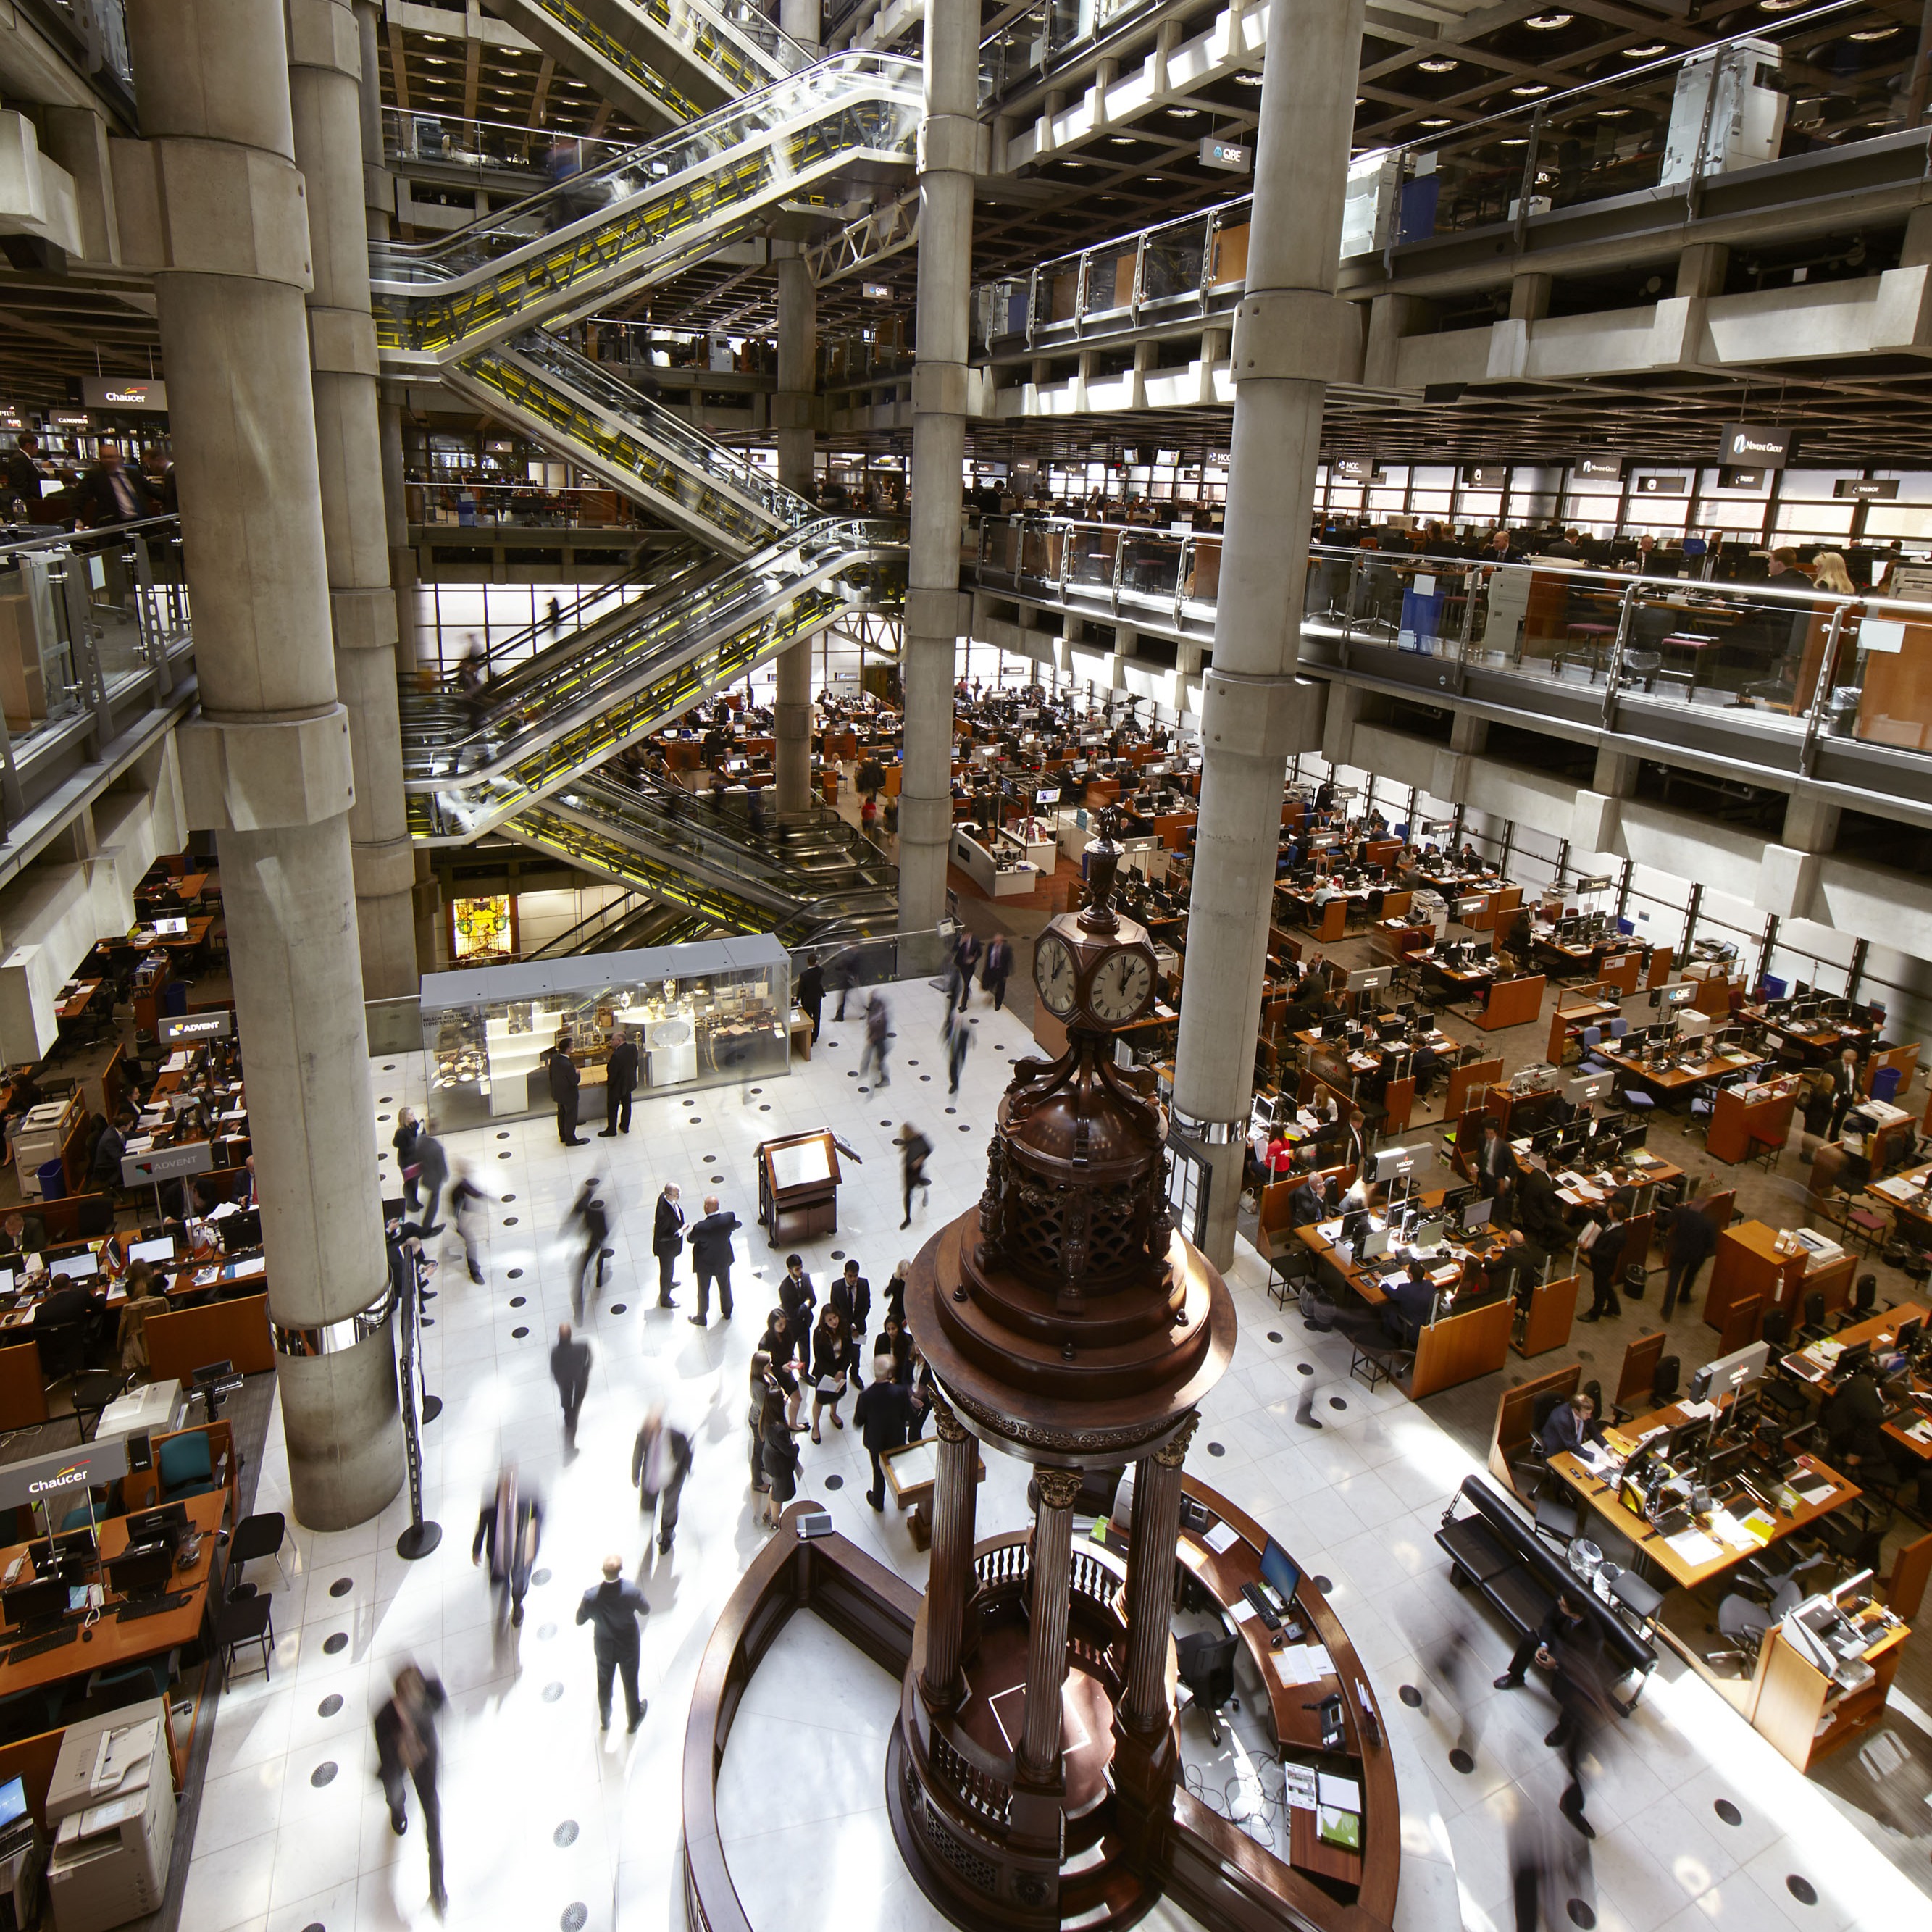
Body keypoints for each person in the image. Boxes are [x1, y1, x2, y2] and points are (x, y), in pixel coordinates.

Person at [374, 1664, 447, 1915]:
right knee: (394, 1794)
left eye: (419, 1689)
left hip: (424, 1762)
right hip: (397, 1761)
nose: (418, 1697)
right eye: (411, 1694)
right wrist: (399, 1748)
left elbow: (440, 1700)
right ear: (399, 1698)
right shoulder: (384, 1718)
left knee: (433, 1820)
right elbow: (386, 1757)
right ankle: (397, 1811)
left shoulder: (430, 1693)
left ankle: (437, 1887)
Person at [575, 1555, 649, 1734]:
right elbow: (645, 1609)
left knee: (604, 1683)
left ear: (603, 1571)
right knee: (630, 1682)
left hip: (604, 1647)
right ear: (620, 1570)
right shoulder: (631, 1591)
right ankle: (633, 1720)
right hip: (629, 1645)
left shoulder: (591, 1597)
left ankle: (605, 1720)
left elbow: (579, 1620)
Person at [473, 1467, 543, 1626]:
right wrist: (476, 1550)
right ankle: (504, 1591)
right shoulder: (491, 1509)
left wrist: (533, 1542)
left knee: (519, 1583)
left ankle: (517, 1605)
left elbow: (539, 1516)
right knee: (500, 1582)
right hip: (498, 1555)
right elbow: (482, 1528)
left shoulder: (526, 1502)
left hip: (520, 1554)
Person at [855, 1343, 914, 1510]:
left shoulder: (865, 1396)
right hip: (896, 1438)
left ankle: (878, 1502)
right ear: (890, 1373)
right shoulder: (901, 1392)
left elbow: (858, 1422)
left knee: (878, 1473)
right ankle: (903, 1501)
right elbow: (907, 1416)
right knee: (899, 1470)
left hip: (876, 1442)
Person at [1493, 1591, 1589, 1691]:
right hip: (1553, 1636)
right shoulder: (1560, 1602)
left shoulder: (1591, 1632)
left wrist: (1557, 1662)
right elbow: (1548, 1622)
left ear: (1574, 1615)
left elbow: (1581, 1656)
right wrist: (1544, 1645)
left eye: (1563, 1605)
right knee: (1530, 1640)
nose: (1559, 1603)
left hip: (1569, 1650)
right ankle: (1516, 1677)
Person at [631, 1405, 693, 1553]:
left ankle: (666, 1536)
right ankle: (648, 1529)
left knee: (669, 1509)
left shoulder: (676, 1436)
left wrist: (686, 1471)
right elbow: (638, 1455)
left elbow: (687, 1453)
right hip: (652, 1479)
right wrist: (635, 1475)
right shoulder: (642, 1436)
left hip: (672, 1479)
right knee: (648, 1505)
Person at [686, 1193, 740, 1325]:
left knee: (703, 1292)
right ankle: (727, 1312)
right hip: (723, 1261)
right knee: (725, 1287)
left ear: (707, 1208)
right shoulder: (729, 1218)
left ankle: (702, 1317)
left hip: (705, 1265)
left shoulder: (701, 1227)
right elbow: (735, 1225)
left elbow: (690, 1238)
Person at [1661, 1192, 1718, 1318]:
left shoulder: (1681, 1212)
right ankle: (1684, 1297)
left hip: (1679, 1250)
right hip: (1697, 1255)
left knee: (1673, 1280)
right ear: (1706, 1204)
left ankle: (1667, 1310)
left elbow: (1666, 1222)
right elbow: (1711, 1244)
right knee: (1690, 1276)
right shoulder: (1709, 1221)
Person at [72, 444, 156, 527]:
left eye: (113, 457)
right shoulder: (95, 475)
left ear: (119, 458)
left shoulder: (133, 473)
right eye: (106, 457)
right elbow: (78, 498)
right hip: (114, 526)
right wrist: (77, 519)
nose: (111, 460)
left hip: (140, 523)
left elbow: (153, 490)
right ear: (101, 459)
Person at [563, 1179, 610, 1319]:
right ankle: (599, 1280)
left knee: (582, 1272)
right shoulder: (600, 1212)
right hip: (597, 1242)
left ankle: (578, 1310)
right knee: (599, 1259)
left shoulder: (586, 1209)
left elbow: (576, 1218)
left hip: (590, 1242)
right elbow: (605, 1230)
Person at [758, 1386, 801, 1530]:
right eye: (783, 1397)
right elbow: (789, 1450)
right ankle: (775, 1522)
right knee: (779, 1496)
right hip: (779, 1466)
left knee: (775, 1488)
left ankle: (767, 1513)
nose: (786, 1397)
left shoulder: (767, 1418)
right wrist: (796, 1446)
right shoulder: (779, 1429)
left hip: (771, 1460)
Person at [1577, 1205, 1625, 1323]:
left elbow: (1607, 1254)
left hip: (1604, 1266)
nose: (1608, 1210)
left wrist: (1588, 1249)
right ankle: (1614, 1307)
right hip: (1599, 1263)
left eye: (1610, 1210)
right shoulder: (1609, 1222)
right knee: (1606, 1285)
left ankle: (1595, 1313)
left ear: (1615, 1216)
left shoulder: (1618, 1235)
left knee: (1599, 1290)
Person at [808, 1304, 849, 1442]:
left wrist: (842, 1370)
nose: (834, 1322)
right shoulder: (819, 1333)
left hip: (840, 1371)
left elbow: (849, 1352)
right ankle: (816, 1426)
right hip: (825, 1372)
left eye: (835, 1317)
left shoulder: (844, 1327)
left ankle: (833, 1414)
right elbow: (819, 1359)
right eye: (830, 1320)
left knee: (836, 1394)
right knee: (820, 1399)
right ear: (824, 1321)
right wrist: (834, 1373)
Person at [549, 1321, 592, 1447]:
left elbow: (554, 1370)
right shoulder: (582, 1347)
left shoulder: (555, 1352)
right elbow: (589, 1360)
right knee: (577, 1401)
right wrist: (585, 1372)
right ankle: (573, 1417)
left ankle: (569, 1417)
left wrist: (560, 1381)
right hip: (579, 1378)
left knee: (567, 1403)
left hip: (564, 1381)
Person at [448, 1161, 488, 1284]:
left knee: (465, 1241)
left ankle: (446, 1252)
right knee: (471, 1244)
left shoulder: (463, 1184)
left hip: (463, 1218)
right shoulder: (459, 1188)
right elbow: (473, 1194)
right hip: (460, 1221)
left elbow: (474, 1192)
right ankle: (474, 1272)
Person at [777, 1254, 816, 1374]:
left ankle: (805, 1373)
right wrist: (805, 1305)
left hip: (805, 1324)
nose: (801, 1271)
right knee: (789, 1353)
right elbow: (791, 1314)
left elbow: (813, 1300)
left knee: (806, 1351)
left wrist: (805, 1306)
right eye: (797, 1269)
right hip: (792, 1328)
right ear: (790, 1270)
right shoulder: (784, 1289)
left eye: (801, 1267)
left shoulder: (806, 1278)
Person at [1541, 1392, 1607, 1460]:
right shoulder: (1563, 1419)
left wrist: (1608, 1450)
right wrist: (1599, 1460)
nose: (1589, 1417)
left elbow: (1595, 1432)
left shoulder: (1585, 1412)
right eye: (1587, 1413)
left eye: (1590, 1413)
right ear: (1576, 1410)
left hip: (1575, 1447)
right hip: (1558, 1450)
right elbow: (1572, 1446)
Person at [543, 1033, 582, 1145]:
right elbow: (574, 1081)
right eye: (572, 1046)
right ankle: (570, 1139)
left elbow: (551, 1075)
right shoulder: (568, 1065)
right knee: (571, 1116)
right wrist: (577, 1073)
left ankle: (563, 1136)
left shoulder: (554, 1059)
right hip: (569, 1095)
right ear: (568, 1049)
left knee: (561, 1115)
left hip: (558, 1093)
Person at [599, 1026, 639, 1137]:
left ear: (619, 1041)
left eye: (612, 1040)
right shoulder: (633, 1048)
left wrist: (610, 1084)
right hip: (629, 1083)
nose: (611, 1042)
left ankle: (611, 1130)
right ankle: (625, 1126)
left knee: (612, 1108)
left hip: (617, 1086)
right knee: (627, 1106)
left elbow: (612, 1072)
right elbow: (635, 1064)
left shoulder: (616, 1055)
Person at [1477, 1120, 1518, 1226]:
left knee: (1497, 1210)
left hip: (1498, 1182)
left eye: (1491, 1133)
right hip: (1485, 1178)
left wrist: (1506, 1181)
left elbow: (1514, 1166)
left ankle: (1498, 1227)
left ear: (1496, 1133)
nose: (1488, 1136)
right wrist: (1476, 1166)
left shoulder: (1503, 1147)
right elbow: (1481, 1156)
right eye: (1486, 1133)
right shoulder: (1482, 1140)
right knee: (1484, 1205)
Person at [652, 1181, 685, 1308]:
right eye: (677, 1194)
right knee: (666, 1272)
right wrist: (679, 1233)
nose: (679, 1196)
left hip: (670, 1248)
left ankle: (669, 1282)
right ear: (669, 1195)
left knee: (669, 1271)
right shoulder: (664, 1214)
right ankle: (665, 1299)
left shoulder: (664, 1197)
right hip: (666, 1250)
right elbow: (661, 1236)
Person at [898, 1121, 932, 1229]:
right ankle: (908, 1218)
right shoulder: (908, 1140)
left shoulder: (920, 1138)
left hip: (916, 1170)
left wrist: (920, 1159)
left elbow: (929, 1149)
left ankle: (925, 1191)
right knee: (908, 1194)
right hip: (908, 1170)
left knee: (919, 1182)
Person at [414, 1129, 449, 1233]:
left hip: (426, 1176)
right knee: (434, 1200)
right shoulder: (436, 1147)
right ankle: (426, 1227)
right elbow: (442, 1165)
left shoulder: (421, 1143)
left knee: (434, 1197)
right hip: (434, 1179)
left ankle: (426, 1225)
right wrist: (445, 1175)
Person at [2, 432, 43, 515]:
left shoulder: (23, 458)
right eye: (36, 447)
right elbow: (19, 484)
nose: (37, 449)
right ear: (28, 446)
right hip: (28, 503)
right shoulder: (19, 459)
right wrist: (32, 500)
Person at [393, 1106, 423, 1213]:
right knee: (410, 1183)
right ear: (405, 1118)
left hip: (414, 1159)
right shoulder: (401, 1132)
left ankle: (415, 1200)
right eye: (411, 1115)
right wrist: (415, 1142)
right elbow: (398, 1144)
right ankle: (410, 1203)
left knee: (415, 1181)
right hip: (406, 1162)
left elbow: (418, 1131)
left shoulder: (412, 1125)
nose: (413, 1116)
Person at [858, 990, 892, 1088]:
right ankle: (864, 1069)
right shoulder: (876, 1009)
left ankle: (885, 1079)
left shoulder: (879, 1017)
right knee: (869, 1053)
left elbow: (878, 1026)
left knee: (880, 1059)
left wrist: (872, 1037)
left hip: (879, 1039)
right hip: (875, 1037)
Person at [1828, 1046, 1861, 1139]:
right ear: (1842, 1056)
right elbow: (1826, 1082)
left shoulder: (1856, 1068)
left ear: (1855, 1059)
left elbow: (1856, 1082)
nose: (1848, 1062)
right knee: (1827, 1116)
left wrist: (1863, 1094)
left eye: (1850, 1060)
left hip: (1847, 1097)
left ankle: (1833, 1136)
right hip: (1834, 1097)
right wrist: (1831, 1097)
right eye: (1846, 1059)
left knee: (1839, 1118)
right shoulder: (1833, 1065)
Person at [945, 1003, 974, 1096]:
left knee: (956, 1067)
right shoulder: (951, 1028)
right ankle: (954, 1083)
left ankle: (955, 1083)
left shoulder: (965, 1031)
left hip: (960, 1052)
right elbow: (946, 1034)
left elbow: (971, 1039)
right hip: (953, 1050)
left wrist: (972, 1044)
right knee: (952, 1067)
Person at [796, 954, 825, 1042]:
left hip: (807, 999)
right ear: (816, 962)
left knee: (808, 1018)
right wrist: (816, 964)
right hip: (817, 997)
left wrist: (797, 998)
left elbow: (801, 989)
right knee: (817, 1017)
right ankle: (815, 1036)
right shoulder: (820, 971)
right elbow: (821, 969)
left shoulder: (804, 975)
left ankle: (808, 1036)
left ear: (807, 962)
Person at [982, 933, 1013, 1011]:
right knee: (990, 984)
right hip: (992, 970)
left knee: (1000, 989)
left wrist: (1008, 973)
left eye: (997, 941)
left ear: (1001, 941)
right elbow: (988, 958)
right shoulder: (991, 946)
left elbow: (1010, 961)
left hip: (1001, 972)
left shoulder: (1006, 948)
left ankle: (998, 1003)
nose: (996, 943)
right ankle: (991, 994)